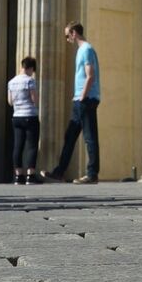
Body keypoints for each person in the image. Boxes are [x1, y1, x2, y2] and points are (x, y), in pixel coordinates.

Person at [44, 22, 101, 184]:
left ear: (74, 33)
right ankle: (59, 171)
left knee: (90, 137)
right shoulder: (81, 51)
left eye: (67, 35)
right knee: (70, 137)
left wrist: (82, 96)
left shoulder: (86, 49)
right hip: (80, 99)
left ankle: (92, 174)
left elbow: (90, 75)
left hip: (86, 99)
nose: (66, 38)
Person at [8, 55, 41, 184]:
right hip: (30, 115)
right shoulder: (30, 81)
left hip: (16, 117)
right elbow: (34, 99)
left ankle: (18, 175)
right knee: (32, 146)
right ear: (31, 68)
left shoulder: (11, 82)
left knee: (18, 146)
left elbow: (10, 102)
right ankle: (30, 175)